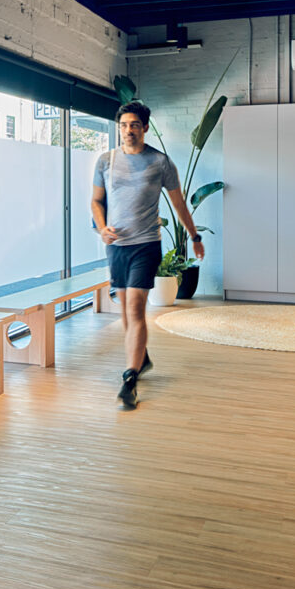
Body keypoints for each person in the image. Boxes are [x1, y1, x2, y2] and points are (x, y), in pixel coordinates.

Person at [91, 101, 204, 409]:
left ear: (145, 127)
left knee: (137, 307)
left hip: (145, 245)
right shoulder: (106, 161)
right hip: (116, 247)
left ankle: (129, 379)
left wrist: (194, 236)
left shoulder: (160, 163)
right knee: (126, 311)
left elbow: (179, 205)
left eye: (134, 125)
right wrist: (102, 228)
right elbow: (96, 202)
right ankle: (140, 355)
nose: (128, 130)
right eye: (124, 125)